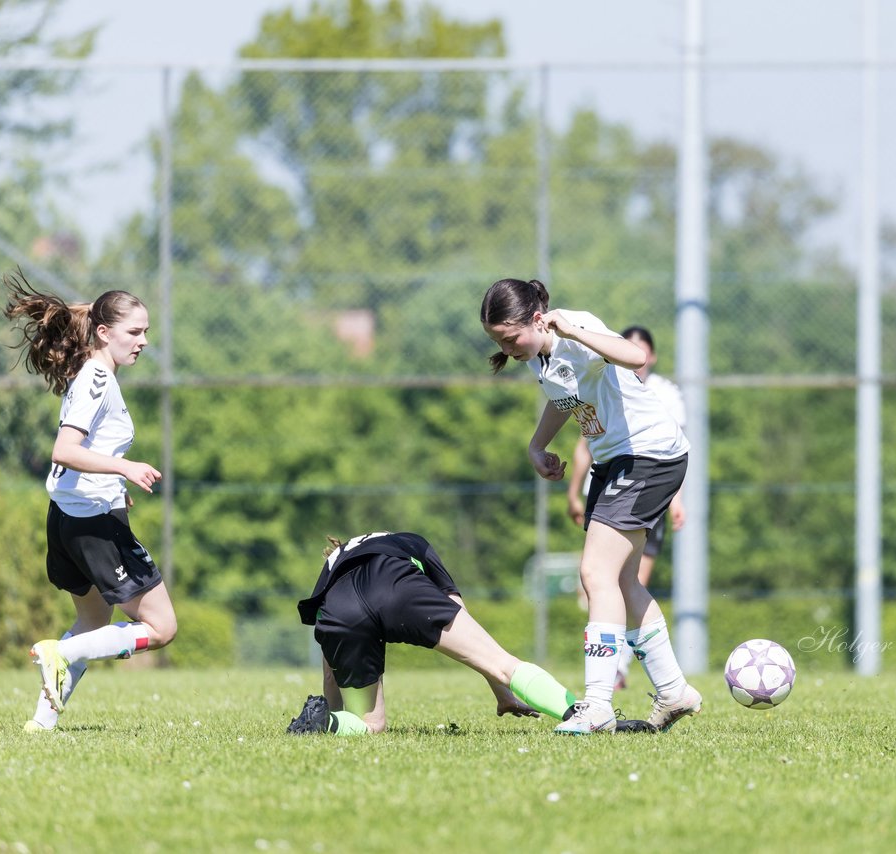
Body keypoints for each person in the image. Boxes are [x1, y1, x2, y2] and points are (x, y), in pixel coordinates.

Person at [480, 278, 702, 735]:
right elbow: (566, 400)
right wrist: (537, 445)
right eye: (498, 340)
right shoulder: (540, 356)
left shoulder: (574, 327)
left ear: (537, 319)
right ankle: (674, 690)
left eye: (509, 337)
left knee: (595, 574)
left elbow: (636, 357)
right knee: (619, 580)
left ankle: (598, 705)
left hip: (648, 455)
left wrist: (576, 331)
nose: (507, 347)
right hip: (615, 460)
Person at [3, 270, 177, 731]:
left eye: (146, 333)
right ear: (104, 332)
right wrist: (124, 468)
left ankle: (41, 724)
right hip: (93, 526)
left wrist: (114, 486)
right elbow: (65, 450)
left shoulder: (95, 375)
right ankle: (59, 653)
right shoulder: (97, 380)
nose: (142, 341)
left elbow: (85, 455)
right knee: (162, 628)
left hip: (69, 520)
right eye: (134, 332)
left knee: (94, 620)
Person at [285, 530, 607, 735]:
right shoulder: (410, 540)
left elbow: (330, 660)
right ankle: (579, 713)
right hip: (397, 585)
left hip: (343, 610)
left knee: (372, 725)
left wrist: (329, 709)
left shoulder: (331, 567)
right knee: (503, 662)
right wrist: (501, 690)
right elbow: (461, 617)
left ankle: (326, 724)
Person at [565, 325, 686, 692]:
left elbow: (672, 438)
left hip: (643, 475)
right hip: (608, 480)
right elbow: (584, 437)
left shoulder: (663, 392)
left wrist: (676, 498)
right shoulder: (601, 375)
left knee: (604, 576)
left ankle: (606, 687)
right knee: (613, 581)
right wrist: (572, 489)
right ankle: (671, 689)